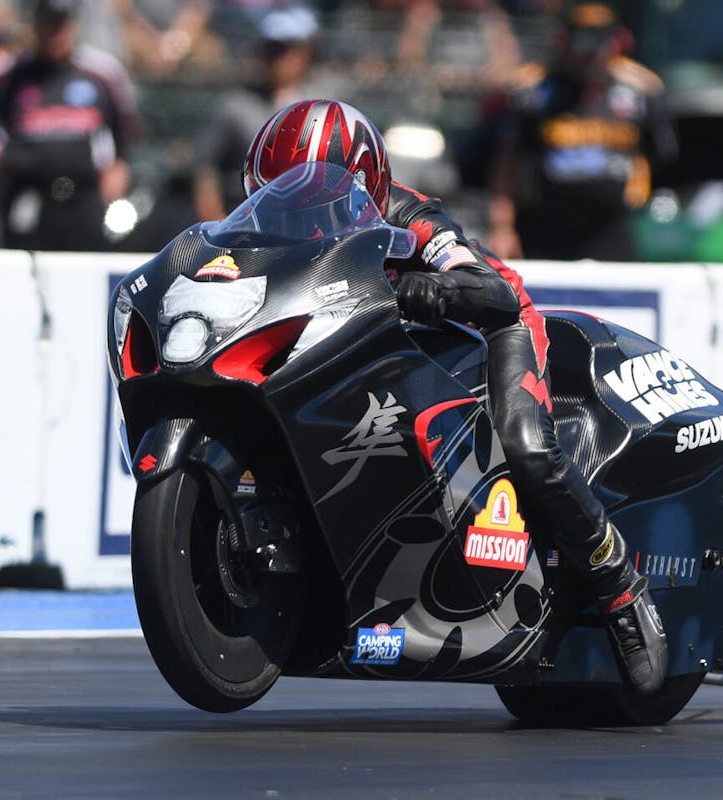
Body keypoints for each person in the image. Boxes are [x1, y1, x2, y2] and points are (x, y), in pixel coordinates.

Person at [242, 98, 667, 694]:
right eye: (278, 193)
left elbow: (485, 287)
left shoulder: (410, 214)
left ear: (363, 183)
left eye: (313, 196)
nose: (297, 210)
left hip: (493, 325)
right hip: (379, 342)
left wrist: (433, 289)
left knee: (527, 449)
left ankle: (618, 583)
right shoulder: (265, 228)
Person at [0, 0, 140, 251]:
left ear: (73, 26)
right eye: (48, 25)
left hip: (85, 199)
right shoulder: (9, 72)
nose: (55, 34)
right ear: (35, 26)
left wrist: (115, 178)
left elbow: (125, 135)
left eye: (61, 25)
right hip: (29, 196)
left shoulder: (101, 73)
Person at [488, 2, 677, 261]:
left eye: (600, 45)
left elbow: (660, 155)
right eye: (582, 44)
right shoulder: (535, 93)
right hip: (547, 228)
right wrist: (502, 227)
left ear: (618, 43)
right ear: (563, 42)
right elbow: (507, 163)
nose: (592, 55)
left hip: (612, 228)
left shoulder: (641, 91)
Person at [193, 5, 320, 221]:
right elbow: (206, 167)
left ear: (305, 52)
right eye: (271, 48)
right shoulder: (236, 105)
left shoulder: (323, 104)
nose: (277, 57)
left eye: (285, 48)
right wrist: (216, 221)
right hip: (244, 219)